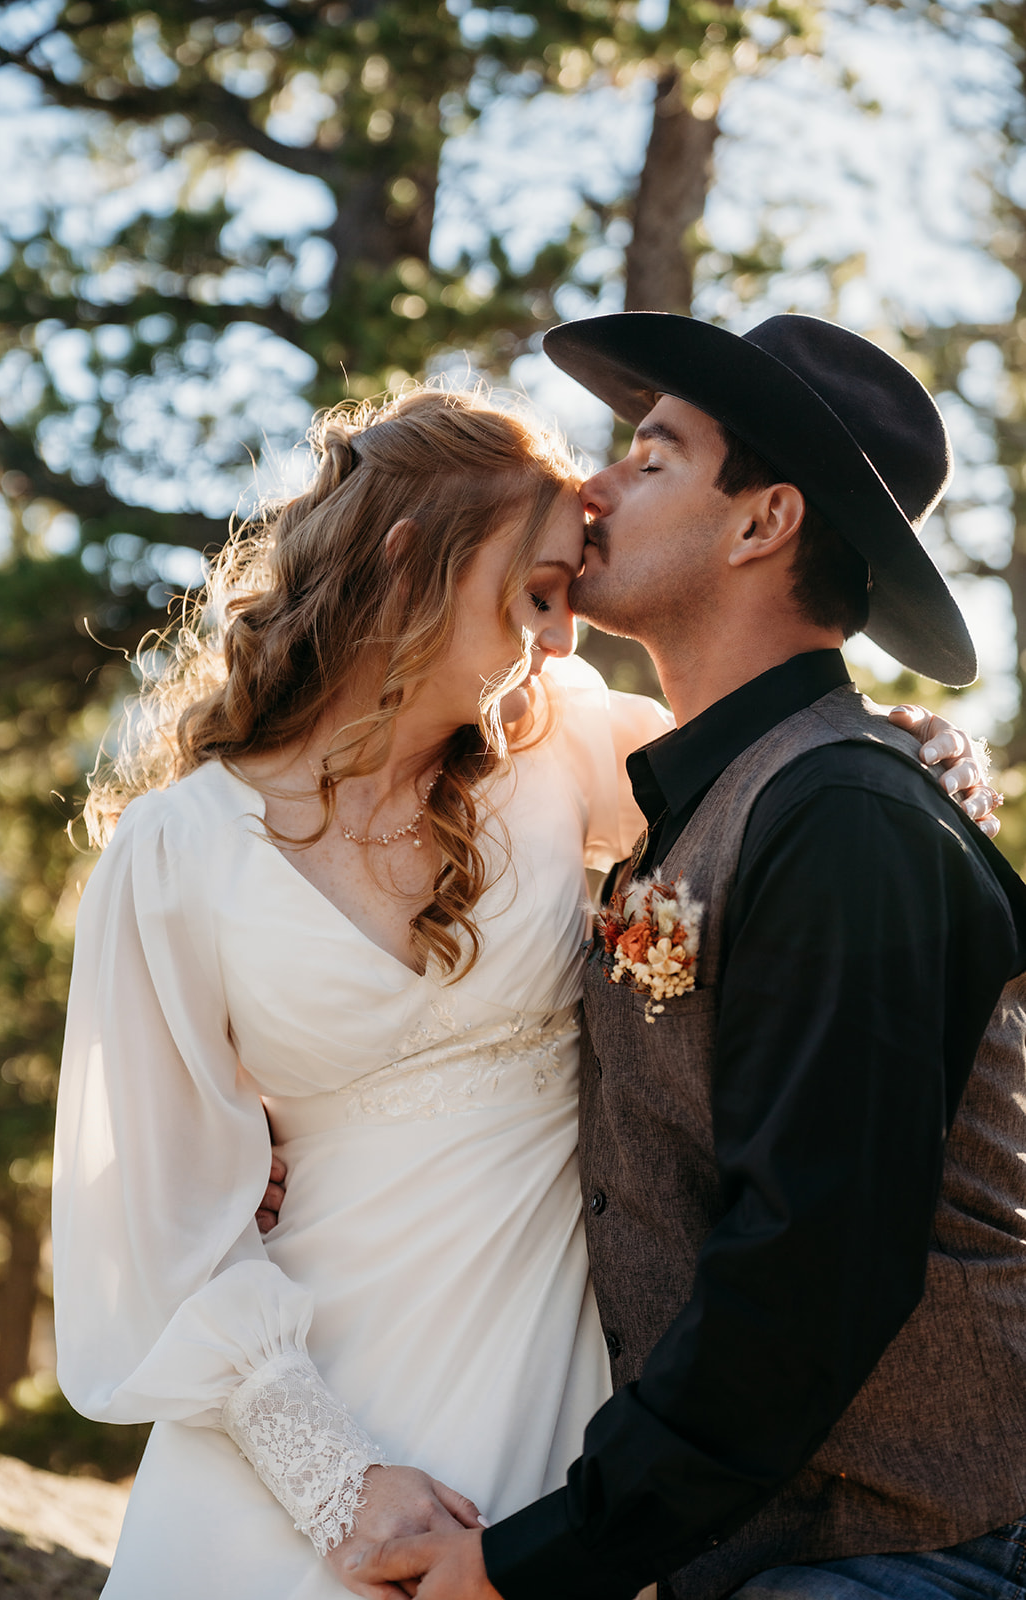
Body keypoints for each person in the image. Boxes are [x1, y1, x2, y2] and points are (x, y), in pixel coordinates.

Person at [52, 381, 991, 1600]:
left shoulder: (560, 748)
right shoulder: (174, 853)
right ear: (409, 562)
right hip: (303, 1406)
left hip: (549, 1410)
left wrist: (925, 742)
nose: (561, 636)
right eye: (539, 593)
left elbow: (781, 774)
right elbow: (167, 1226)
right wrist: (337, 1480)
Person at [347, 315, 1026, 1600]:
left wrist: (530, 1563)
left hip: (922, 1554)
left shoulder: (847, 820)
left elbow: (807, 1265)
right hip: (770, 1549)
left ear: (762, 522)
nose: (588, 491)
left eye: (651, 459)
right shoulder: (706, 798)